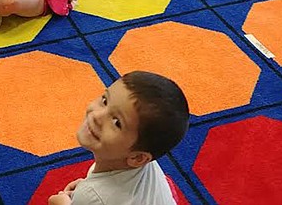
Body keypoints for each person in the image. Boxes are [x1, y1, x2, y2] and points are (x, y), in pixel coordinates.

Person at [47, 71, 189, 205]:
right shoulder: (146, 159)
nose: (97, 116)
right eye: (104, 100)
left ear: (138, 158)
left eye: (117, 122)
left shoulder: (91, 197)